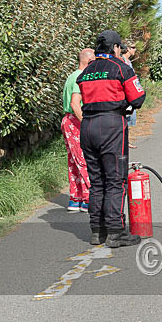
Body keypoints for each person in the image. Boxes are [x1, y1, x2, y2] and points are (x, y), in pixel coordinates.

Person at [78, 30, 146, 248]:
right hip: (111, 125)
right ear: (116, 48)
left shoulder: (87, 71)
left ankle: (97, 231)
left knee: (97, 181)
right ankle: (116, 232)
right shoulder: (120, 68)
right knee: (115, 180)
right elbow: (138, 98)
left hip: (87, 126)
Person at [61, 48, 95, 212]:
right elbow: (75, 104)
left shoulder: (72, 75)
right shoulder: (80, 77)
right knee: (85, 159)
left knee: (74, 161)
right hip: (76, 120)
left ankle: (76, 198)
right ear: (89, 61)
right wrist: (87, 123)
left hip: (69, 120)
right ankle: (88, 198)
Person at [121, 40, 138, 147]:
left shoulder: (128, 61)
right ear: (127, 48)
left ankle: (126, 141)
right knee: (125, 118)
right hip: (125, 95)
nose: (135, 49)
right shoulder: (122, 61)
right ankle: (124, 142)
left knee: (129, 118)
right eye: (133, 47)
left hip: (130, 94)